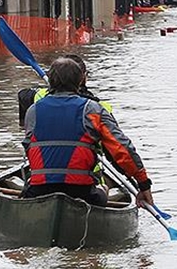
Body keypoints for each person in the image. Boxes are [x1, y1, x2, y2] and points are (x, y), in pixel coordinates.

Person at [21, 58, 154, 206]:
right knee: (103, 189)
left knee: (28, 191)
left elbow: (28, 147)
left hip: (40, 189)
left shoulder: (33, 111)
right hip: (81, 192)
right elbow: (122, 150)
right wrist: (143, 183)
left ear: (51, 82)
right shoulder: (93, 110)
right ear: (80, 81)